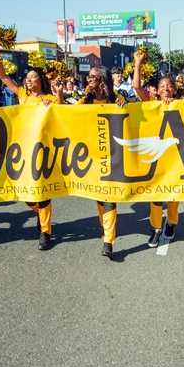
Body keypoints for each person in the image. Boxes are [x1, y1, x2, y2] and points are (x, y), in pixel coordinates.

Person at [0, 40, 63, 250]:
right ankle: (41, 215)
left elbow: (62, 115)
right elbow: (3, 77)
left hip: (44, 150)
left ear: (41, 80)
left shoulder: (49, 98)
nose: (29, 79)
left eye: (33, 77)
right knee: (25, 192)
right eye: (27, 77)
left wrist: (57, 95)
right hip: (22, 149)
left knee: (43, 191)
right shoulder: (22, 94)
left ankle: (46, 231)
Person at [131, 52, 182, 249]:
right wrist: (138, 62)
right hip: (156, 156)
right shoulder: (150, 104)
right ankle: (156, 228)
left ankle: (171, 222)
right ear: (156, 91)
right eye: (162, 87)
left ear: (175, 89)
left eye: (169, 86)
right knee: (155, 194)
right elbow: (136, 87)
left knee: (173, 193)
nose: (166, 89)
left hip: (175, 155)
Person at [79, 66, 125, 258]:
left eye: (93, 77)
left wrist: (123, 105)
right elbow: (65, 116)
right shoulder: (84, 101)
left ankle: (108, 241)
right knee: (99, 197)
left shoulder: (116, 100)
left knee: (109, 198)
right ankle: (106, 227)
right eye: (88, 77)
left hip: (113, 156)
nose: (89, 79)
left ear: (102, 80)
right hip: (92, 156)